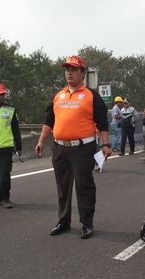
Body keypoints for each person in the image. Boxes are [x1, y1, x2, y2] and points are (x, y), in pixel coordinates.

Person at [34, 55, 111, 239]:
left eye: (73, 69)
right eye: (67, 69)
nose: (69, 72)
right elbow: (49, 120)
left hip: (83, 148)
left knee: (84, 187)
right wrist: (41, 140)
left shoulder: (91, 96)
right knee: (63, 187)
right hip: (60, 148)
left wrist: (106, 144)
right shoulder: (58, 95)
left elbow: (102, 123)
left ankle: (87, 223)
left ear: (82, 73)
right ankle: (63, 221)